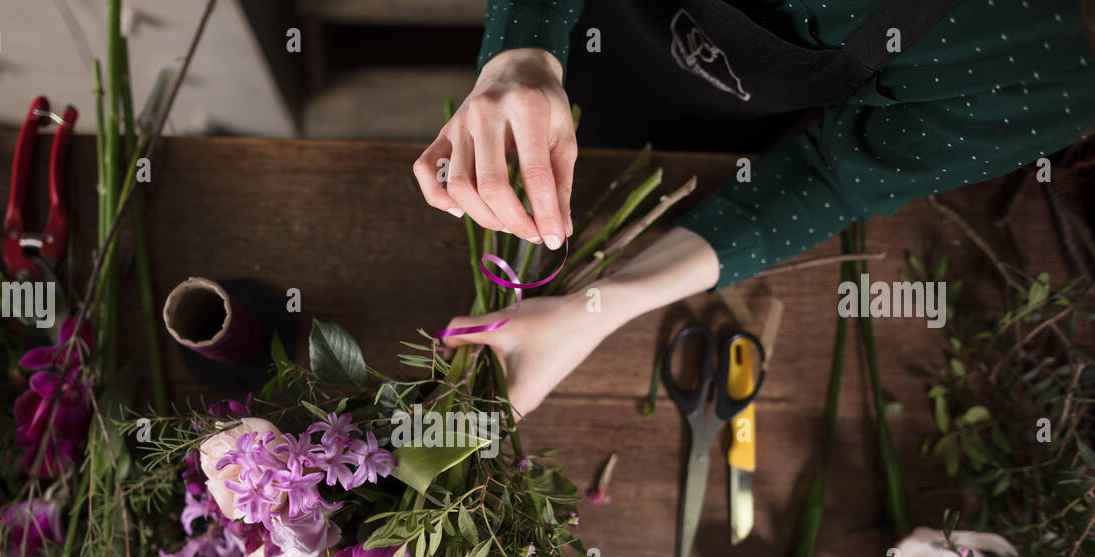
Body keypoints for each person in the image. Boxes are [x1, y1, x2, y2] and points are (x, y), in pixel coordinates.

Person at [413, 0, 1095, 417]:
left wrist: (595, 311)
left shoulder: (1050, 62)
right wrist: (521, 50)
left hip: (719, 134)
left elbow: (831, 177)